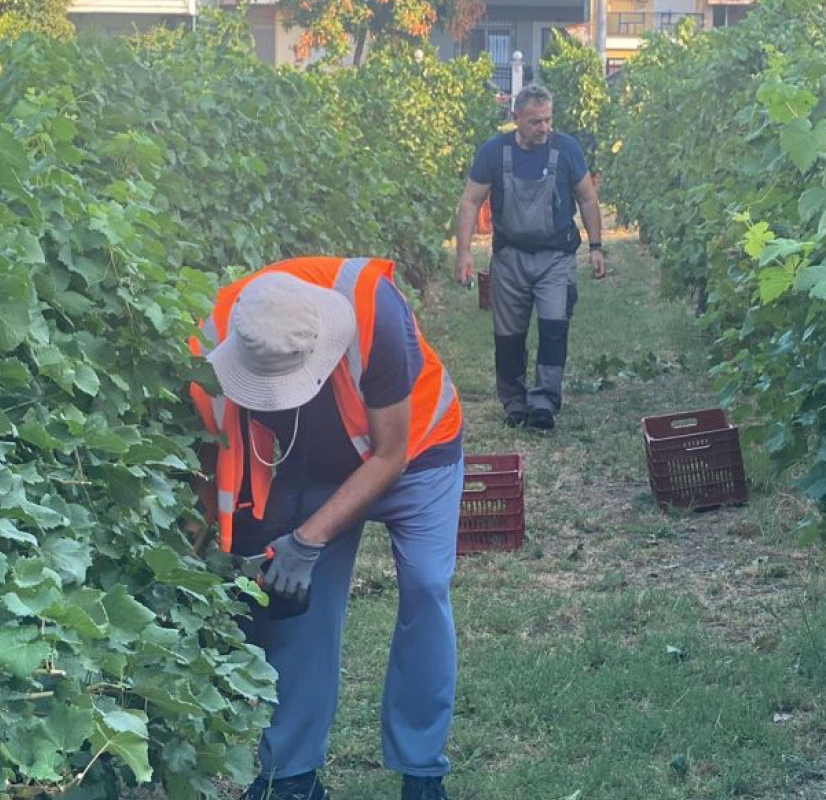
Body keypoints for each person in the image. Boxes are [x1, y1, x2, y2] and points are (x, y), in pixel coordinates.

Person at [187, 257, 466, 800]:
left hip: (416, 450)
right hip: (315, 462)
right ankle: (291, 775)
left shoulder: (375, 313)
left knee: (427, 585)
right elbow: (212, 456)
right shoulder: (217, 334)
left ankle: (422, 768)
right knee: (297, 595)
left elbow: (389, 456)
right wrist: (215, 554)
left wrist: (309, 538)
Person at [455, 83, 606, 431]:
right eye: (536, 121)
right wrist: (463, 253)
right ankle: (514, 402)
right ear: (516, 119)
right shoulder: (494, 153)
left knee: (554, 325)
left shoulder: (566, 149)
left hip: (556, 257)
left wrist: (595, 247)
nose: (544, 128)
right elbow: (469, 201)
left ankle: (544, 403)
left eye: (548, 120)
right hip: (510, 257)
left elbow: (587, 198)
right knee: (508, 334)